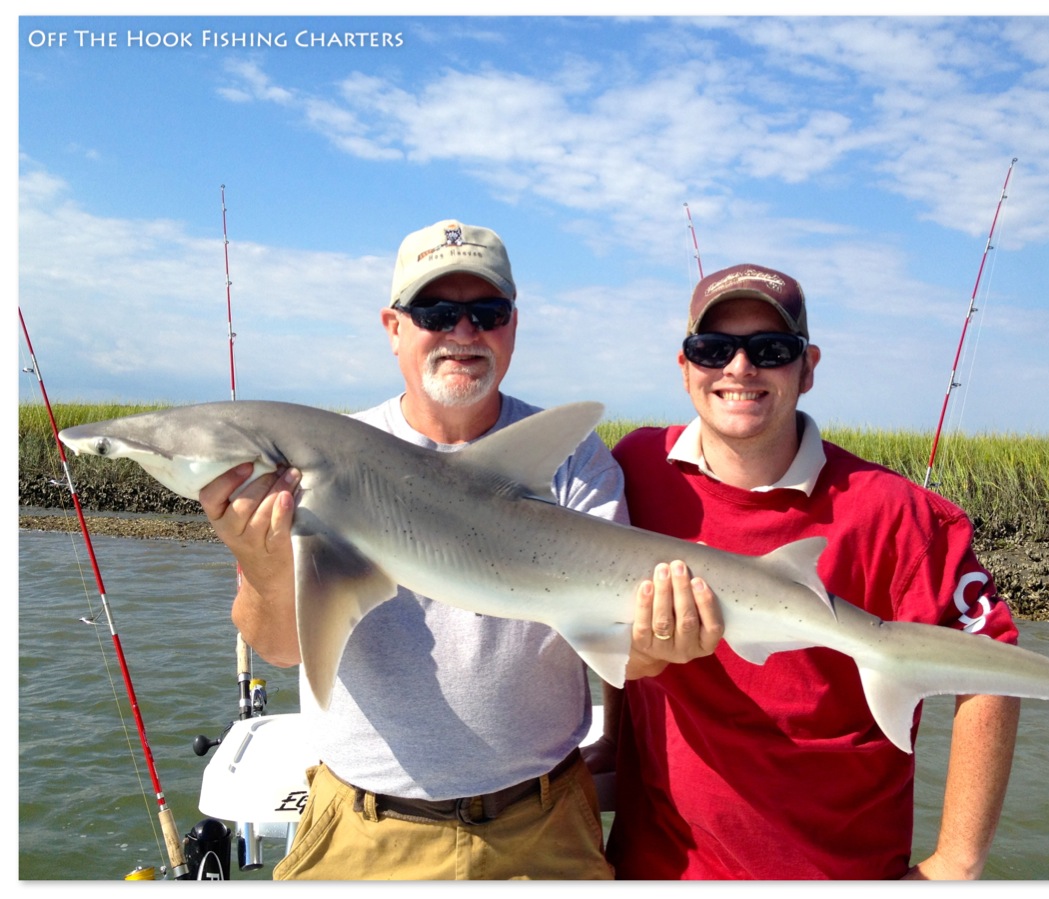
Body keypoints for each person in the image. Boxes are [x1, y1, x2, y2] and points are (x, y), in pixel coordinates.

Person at [197, 219, 706, 880]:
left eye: (486, 312)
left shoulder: (575, 458)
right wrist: (263, 563)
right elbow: (282, 647)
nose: (464, 332)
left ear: (512, 326)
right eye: (437, 311)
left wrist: (661, 647)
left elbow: (620, 645)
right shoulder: (313, 459)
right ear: (394, 327)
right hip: (362, 831)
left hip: (541, 829)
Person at [598, 263, 1022, 880]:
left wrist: (956, 864)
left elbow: (994, 665)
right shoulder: (635, 466)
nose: (739, 369)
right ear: (685, 366)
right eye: (713, 349)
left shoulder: (897, 512)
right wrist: (612, 743)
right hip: (657, 867)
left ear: (808, 366)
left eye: (769, 350)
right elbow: (606, 606)